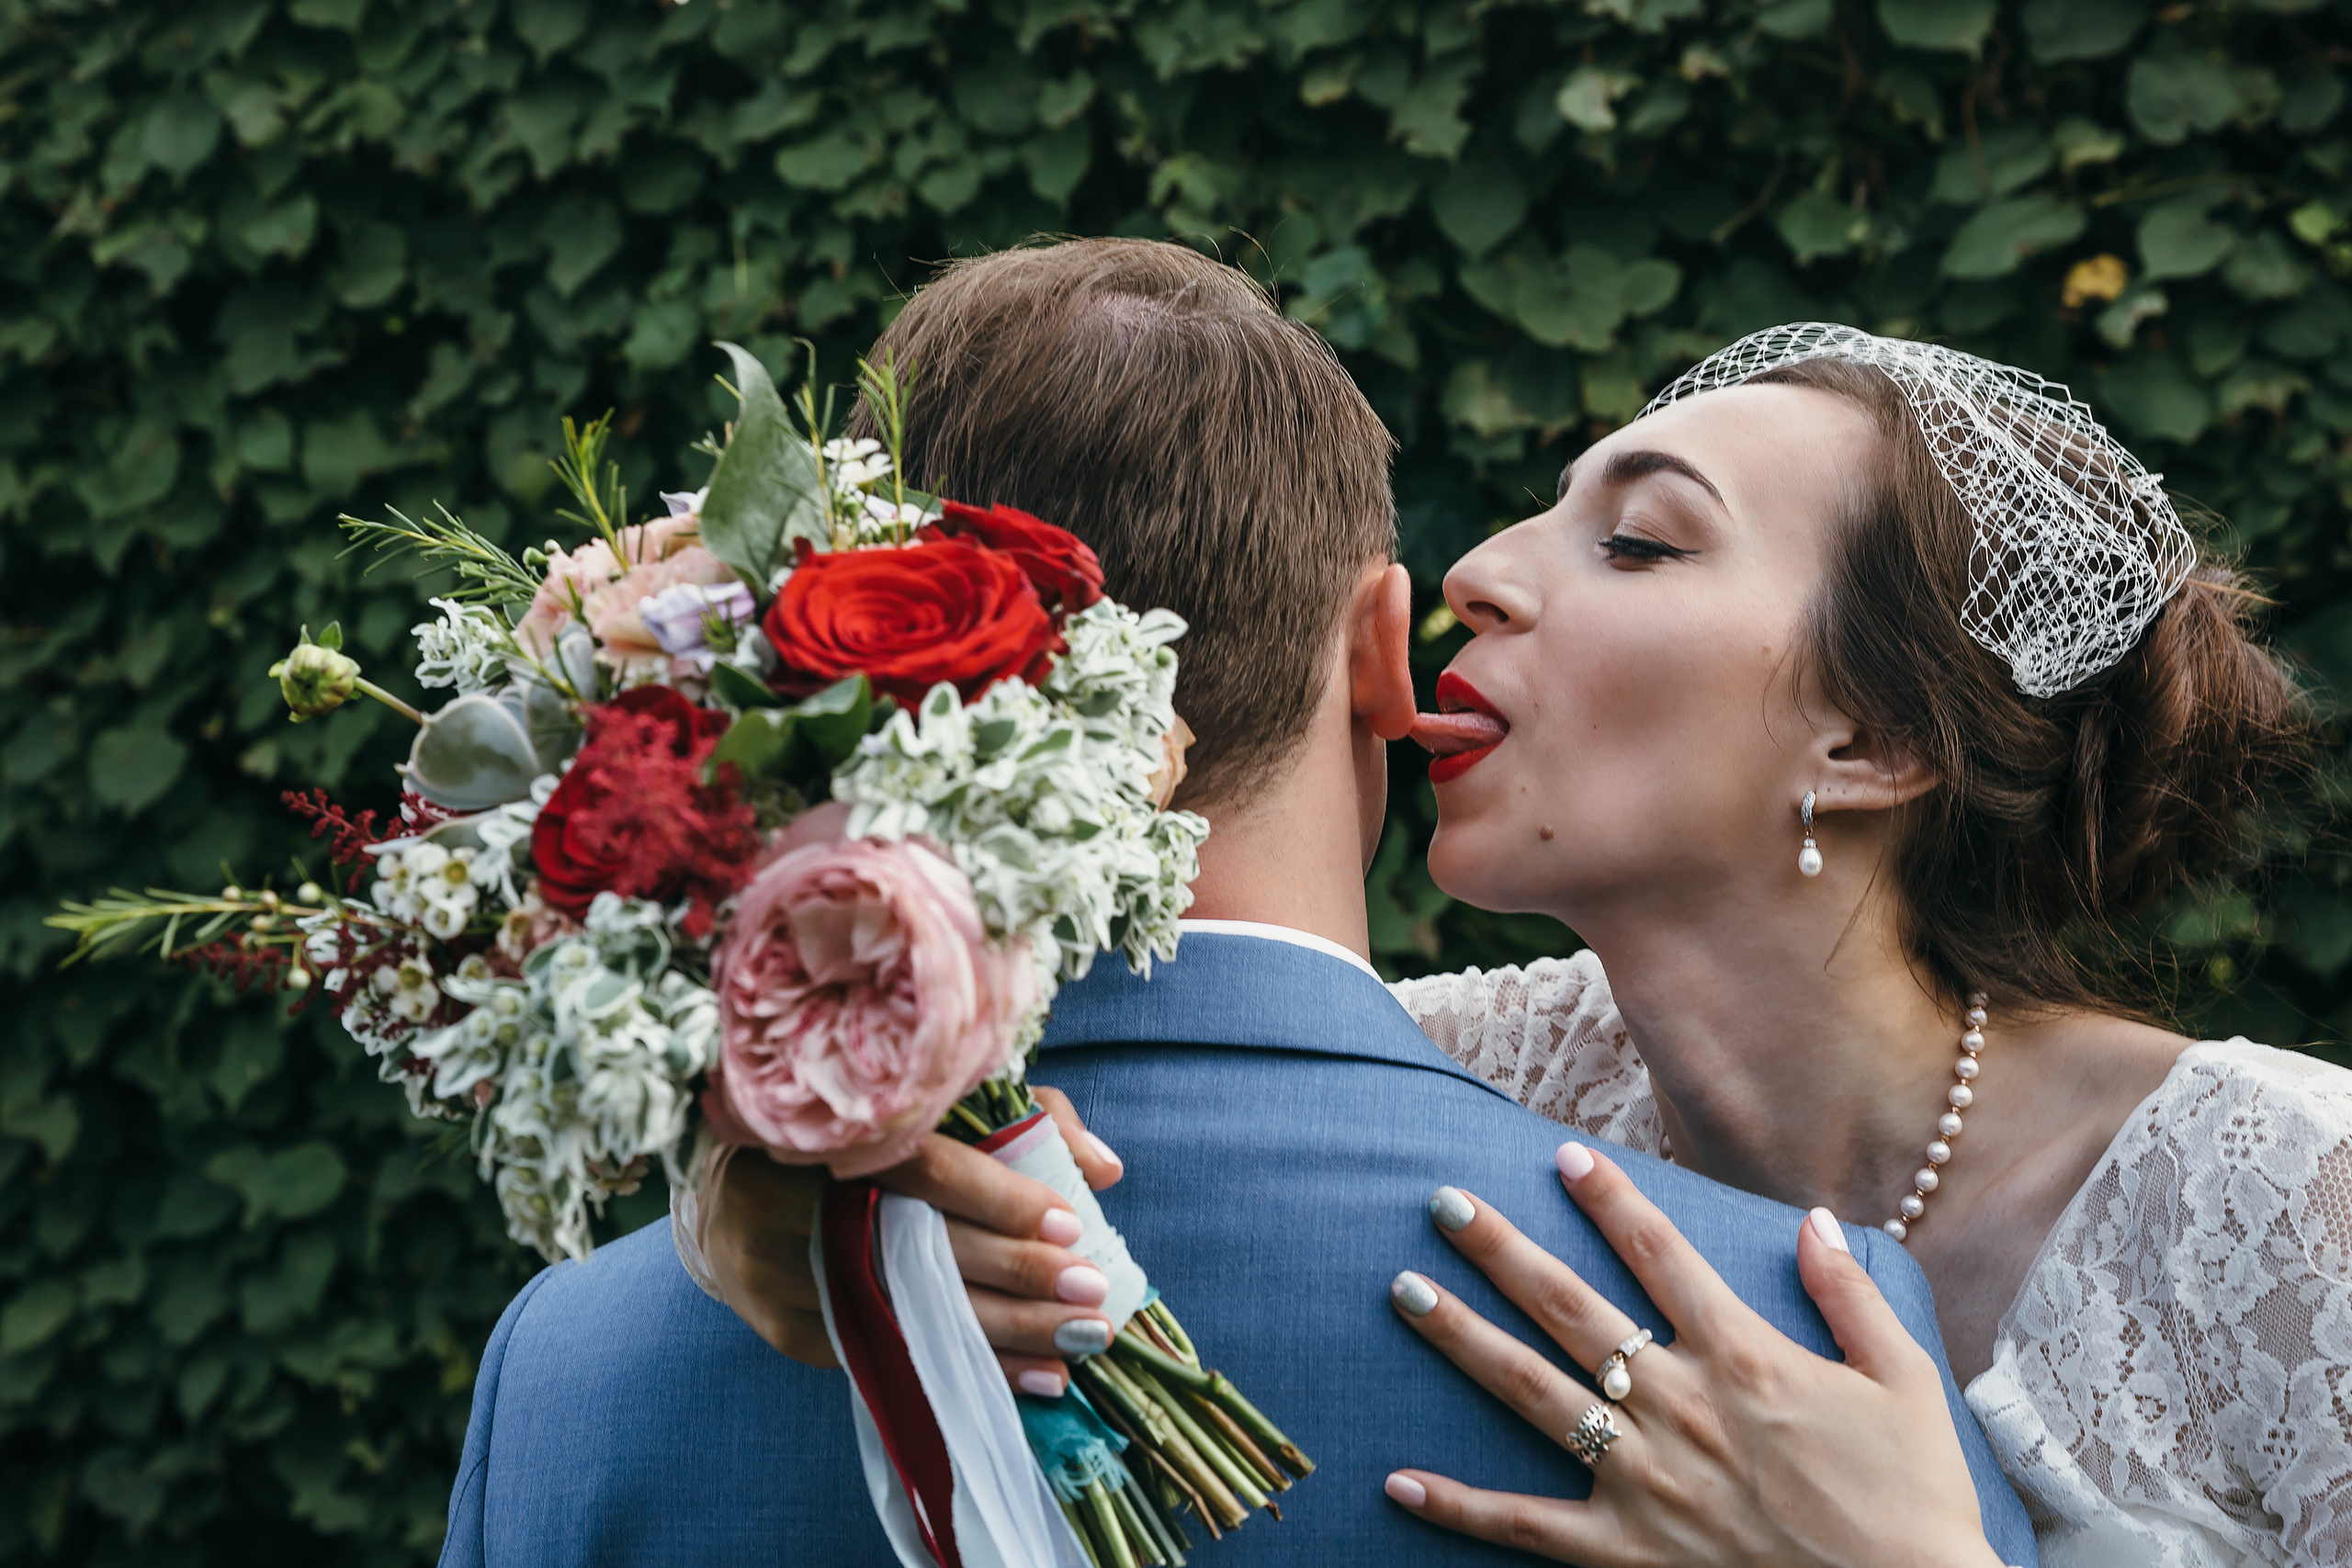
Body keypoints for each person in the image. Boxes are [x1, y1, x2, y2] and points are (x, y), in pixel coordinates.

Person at [435, 251, 2040, 1567]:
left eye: (1636, 542)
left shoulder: (579, 1368)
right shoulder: (1793, 1343)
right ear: (1378, 650)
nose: (1508, 576)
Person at [858, 324, 2346, 1564]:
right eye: (1545, 511)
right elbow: (1123, 1107)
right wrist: (822, 1216)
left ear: (1875, 738)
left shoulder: (2287, 1192)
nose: (1480, 571)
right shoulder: (1461, 1070)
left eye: (1640, 541)